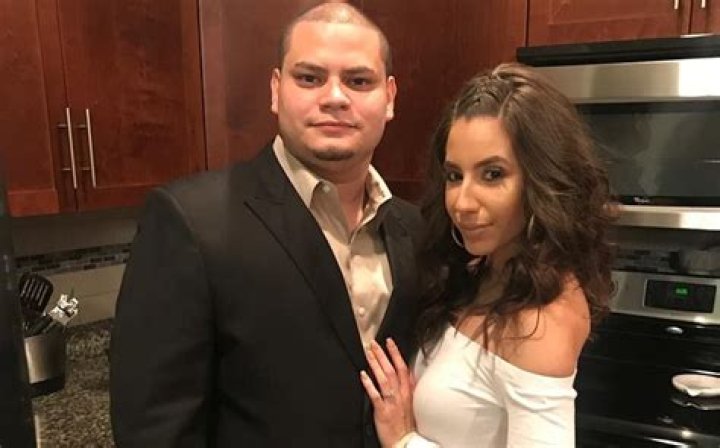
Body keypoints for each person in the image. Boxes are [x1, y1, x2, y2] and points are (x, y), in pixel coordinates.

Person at [110, 3, 424, 446]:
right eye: (309, 78)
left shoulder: (415, 228)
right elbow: (155, 428)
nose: (335, 97)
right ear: (276, 90)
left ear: (389, 97)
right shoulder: (192, 220)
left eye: (358, 81)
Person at [360, 63, 615, 447]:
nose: (462, 202)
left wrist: (404, 440)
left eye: (492, 174)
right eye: (454, 176)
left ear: (541, 180)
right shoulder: (483, 270)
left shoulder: (540, 319)